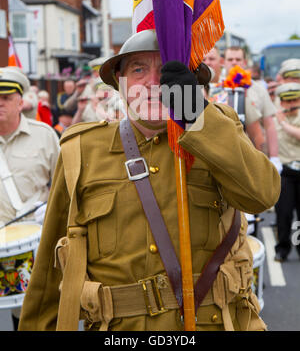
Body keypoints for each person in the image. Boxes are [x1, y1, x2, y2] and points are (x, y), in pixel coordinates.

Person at [19, 30, 280, 332]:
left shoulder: (216, 131)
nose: (154, 83)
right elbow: (49, 276)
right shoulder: (81, 149)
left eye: (166, 69)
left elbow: (262, 195)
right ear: (120, 83)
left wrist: (198, 116)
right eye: (138, 69)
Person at [0, 67, 60, 330]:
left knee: (30, 316)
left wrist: (48, 209)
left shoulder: (43, 136)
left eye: (5, 98)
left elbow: (64, 186)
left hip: (34, 244)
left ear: (20, 102)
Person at [223, 47, 282, 173]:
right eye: (230, 59)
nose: (234, 62)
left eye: (238, 59)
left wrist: (274, 157)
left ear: (244, 62)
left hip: (254, 154)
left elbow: (269, 125)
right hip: (224, 156)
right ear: (224, 62)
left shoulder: (259, 89)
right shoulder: (216, 89)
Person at [273, 82, 300, 262]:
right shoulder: (273, 120)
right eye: (287, 101)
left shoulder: (280, 121)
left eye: (296, 100)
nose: (292, 104)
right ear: (281, 102)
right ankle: (282, 248)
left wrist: (283, 123)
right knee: (284, 213)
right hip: (285, 172)